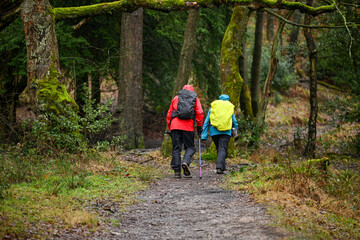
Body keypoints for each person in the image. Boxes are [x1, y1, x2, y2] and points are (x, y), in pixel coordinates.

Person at [167, 85, 204, 178]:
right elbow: (199, 112)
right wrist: (199, 126)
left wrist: (170, 126)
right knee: (190, 147)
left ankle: (177, 172)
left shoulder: (176, 98)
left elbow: (169, 113)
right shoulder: (195, 98)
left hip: (175, 126)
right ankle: (186, 162)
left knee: (176, 148)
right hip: (188, 127)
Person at [201, 94, 238, 174]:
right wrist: (235, 131)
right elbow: (234, 121)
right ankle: (219, 167)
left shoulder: (214, 106)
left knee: (219, 148)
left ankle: (222, 167)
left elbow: (207, 121)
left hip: (214, 132)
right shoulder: (229, 107)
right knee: (222, 149)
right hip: (226, 132)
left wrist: (204, 135)